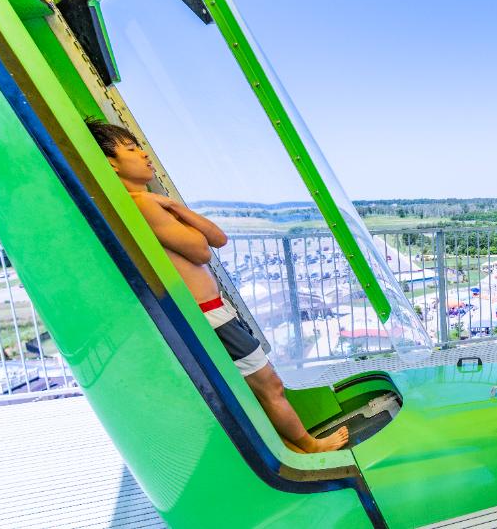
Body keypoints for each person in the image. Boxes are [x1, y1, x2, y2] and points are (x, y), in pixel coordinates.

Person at [85, 118, 348, 454]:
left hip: (213, 312)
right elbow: (201, 250)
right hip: (211, 315)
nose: (145, 154)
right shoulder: (144, 204)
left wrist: (177, 207)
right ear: (110, 162)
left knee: (254, 386)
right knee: (270, 385)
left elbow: (218, 239)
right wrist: (171, 209)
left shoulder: (151, 204)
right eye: (132, 149)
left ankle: (287, 443)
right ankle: (308, 446)